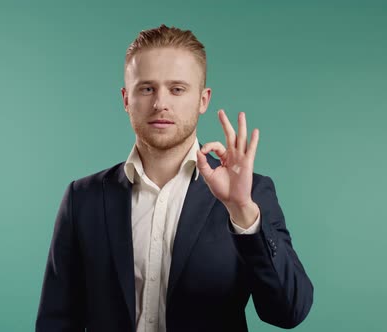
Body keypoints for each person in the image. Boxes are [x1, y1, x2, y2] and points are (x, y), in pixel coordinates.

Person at [35, 24, 313, 332]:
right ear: (127, 99)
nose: (160, 103)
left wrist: (243, 212)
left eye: (177, 89)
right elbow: (56, 321)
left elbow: (289, 312)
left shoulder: (250, 194)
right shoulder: (82, 198)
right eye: (147, 88)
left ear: (203, 100)